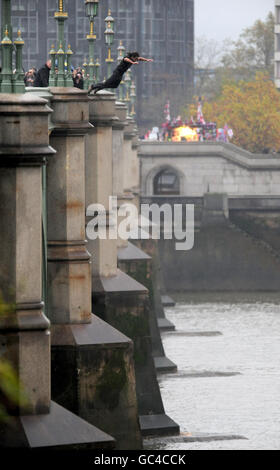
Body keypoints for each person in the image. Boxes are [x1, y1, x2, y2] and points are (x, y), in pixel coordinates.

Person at [88, 52, 153, 94]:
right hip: (117, 73)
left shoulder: (134, 58)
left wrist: (147, 60)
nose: (136, 60)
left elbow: (140, 58)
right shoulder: (127, 58)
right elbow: (126, 60)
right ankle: (93, 86)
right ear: (132, 57)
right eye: (135, 59)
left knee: (115, 86)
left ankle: (98, 88)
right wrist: (132, 62)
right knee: (106, 83)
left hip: (120, 74)